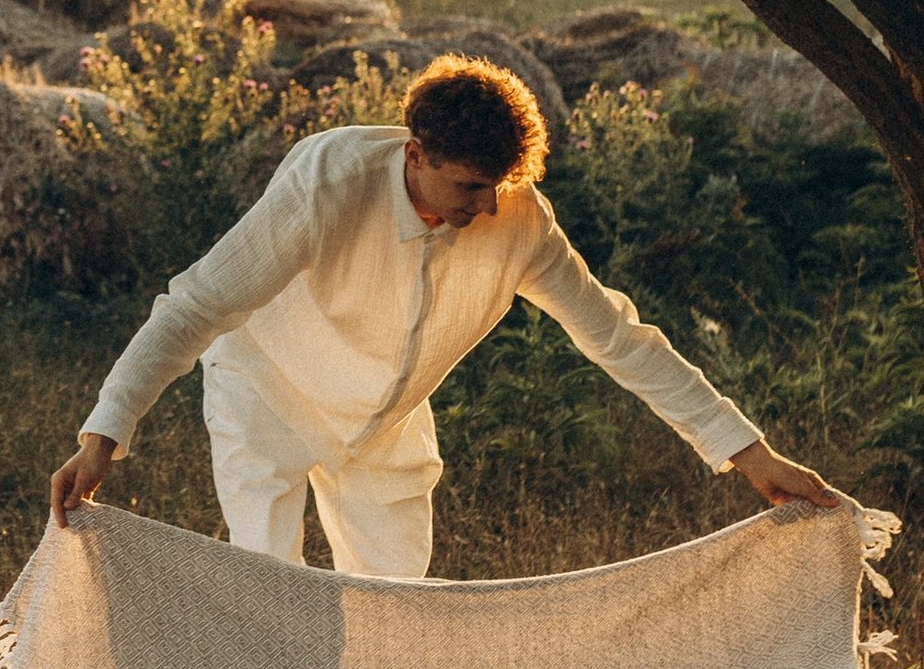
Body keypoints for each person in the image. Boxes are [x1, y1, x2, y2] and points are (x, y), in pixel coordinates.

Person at [50, 53, 838, 567]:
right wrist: (103, 435)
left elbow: (619, 339)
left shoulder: (518, 218)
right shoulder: (325, 182)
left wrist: (754, 457)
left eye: (500, 185)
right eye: (469, 186)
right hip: (271, 393)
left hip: (389, 417)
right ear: (414, 155)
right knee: (274, 593)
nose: (486, 205)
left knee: (398, 614)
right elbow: (196, 304)